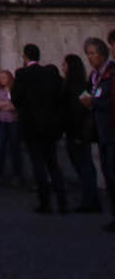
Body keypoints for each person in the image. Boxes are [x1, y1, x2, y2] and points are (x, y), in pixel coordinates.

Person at [12, 43, 66, 214]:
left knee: (38, 165)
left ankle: (45, 203)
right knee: (52, 164)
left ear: (25, 57)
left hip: (32, 127)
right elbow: (60, 95)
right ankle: (62, 201)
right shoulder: (51, 73)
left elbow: (16, 99)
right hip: (50, 127)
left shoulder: (21, 74)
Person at [61, 52, 100, 213]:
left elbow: (81, 110)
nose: (63, 67)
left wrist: (77, 133)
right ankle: (90, 198)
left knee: (84, 166)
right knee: (84, 166)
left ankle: (90, 200)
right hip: (75, 130)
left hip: (77, 132)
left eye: (65, 64)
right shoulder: (75, 84)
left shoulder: (77, 86)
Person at [84, 36, 115, 229]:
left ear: (103, 54)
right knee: (108, 174)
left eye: (92, 53)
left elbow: (111, 102)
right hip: (101, 131)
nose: (90, 58)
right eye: (88, 54)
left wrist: (93, 102)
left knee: (113, 173)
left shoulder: (111, 75)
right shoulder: (94, 76)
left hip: (111, 129)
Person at [0, 69, 22, 184]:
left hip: (13, 121)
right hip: (1, 121)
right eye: (1, 77)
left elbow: (15, 105)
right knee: (0, 147)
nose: (2, 79)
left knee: (14, 148)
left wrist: (4, 104)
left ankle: (17, 175)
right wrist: (6, 104)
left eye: (4, 77)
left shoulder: (14, 90)